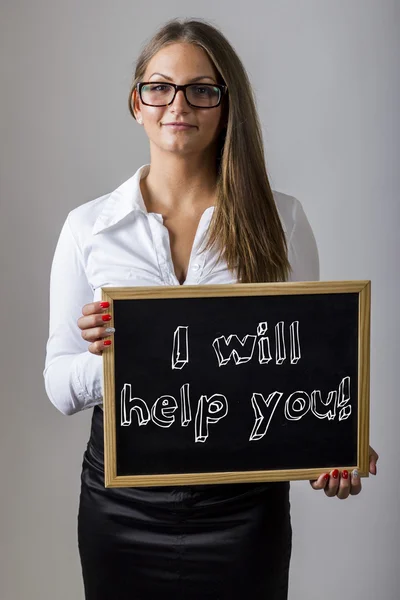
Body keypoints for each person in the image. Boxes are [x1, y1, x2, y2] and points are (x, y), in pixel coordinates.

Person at [43, 18, 378, 600]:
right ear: (136, 104)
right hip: (120, 506)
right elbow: (57, 382)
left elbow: (304, 372)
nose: (179, 104)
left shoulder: (282, 219)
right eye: (160, 87)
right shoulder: (87, 227)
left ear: (227, 106)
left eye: (202, 89)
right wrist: (113, 358)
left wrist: (335, 445)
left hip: (244, 510)